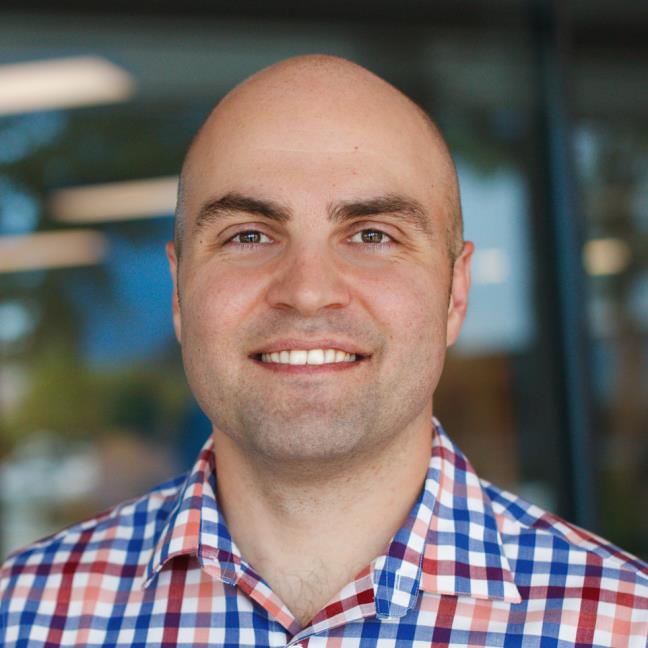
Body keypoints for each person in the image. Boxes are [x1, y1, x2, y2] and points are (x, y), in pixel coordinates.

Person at [1, 55, 646, 647]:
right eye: (249, 235)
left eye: (372, 234)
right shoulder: (20, 617)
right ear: (178, 292)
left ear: (455, 294)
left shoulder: (625, 625)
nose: (307, 292)